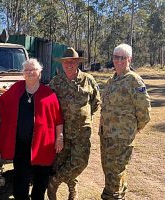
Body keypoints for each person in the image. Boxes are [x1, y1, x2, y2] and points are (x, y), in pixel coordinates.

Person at [0, 58, 64, 200]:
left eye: (33, 69)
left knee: (41, 179)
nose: (30, 72)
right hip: (21, 145)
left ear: (40, 72)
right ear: (23, 73)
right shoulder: (16, 88)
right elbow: (1, 103)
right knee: (21, 178)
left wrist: (59, 138)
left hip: (43, 144)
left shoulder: (48, 94)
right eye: (27, 70)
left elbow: (58, 119)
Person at [47, 47, 101, 200]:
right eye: (66, 62)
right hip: (61, 131)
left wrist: (84, 116)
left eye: (72, 62)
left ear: (78, 63)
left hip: (82, 131)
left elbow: (95, 102)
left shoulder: (88, 80)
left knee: (80, 161)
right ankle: (72, 189)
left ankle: (54, 181)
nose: (69, 65)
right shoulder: (56, 82)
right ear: (62, 64)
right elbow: (49, 105)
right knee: (61, 162)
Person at [99, 43, 151, 200]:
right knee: (109, 170)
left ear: (130, 59)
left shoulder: (134, 81)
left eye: (123, 58)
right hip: (106, 135)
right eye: (116, 57)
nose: (119, 61)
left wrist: (132, 129)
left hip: (122, 138)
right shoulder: (112, 80)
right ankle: (115, 195)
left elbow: (145, 111)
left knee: (115, 172)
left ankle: (113, 197)